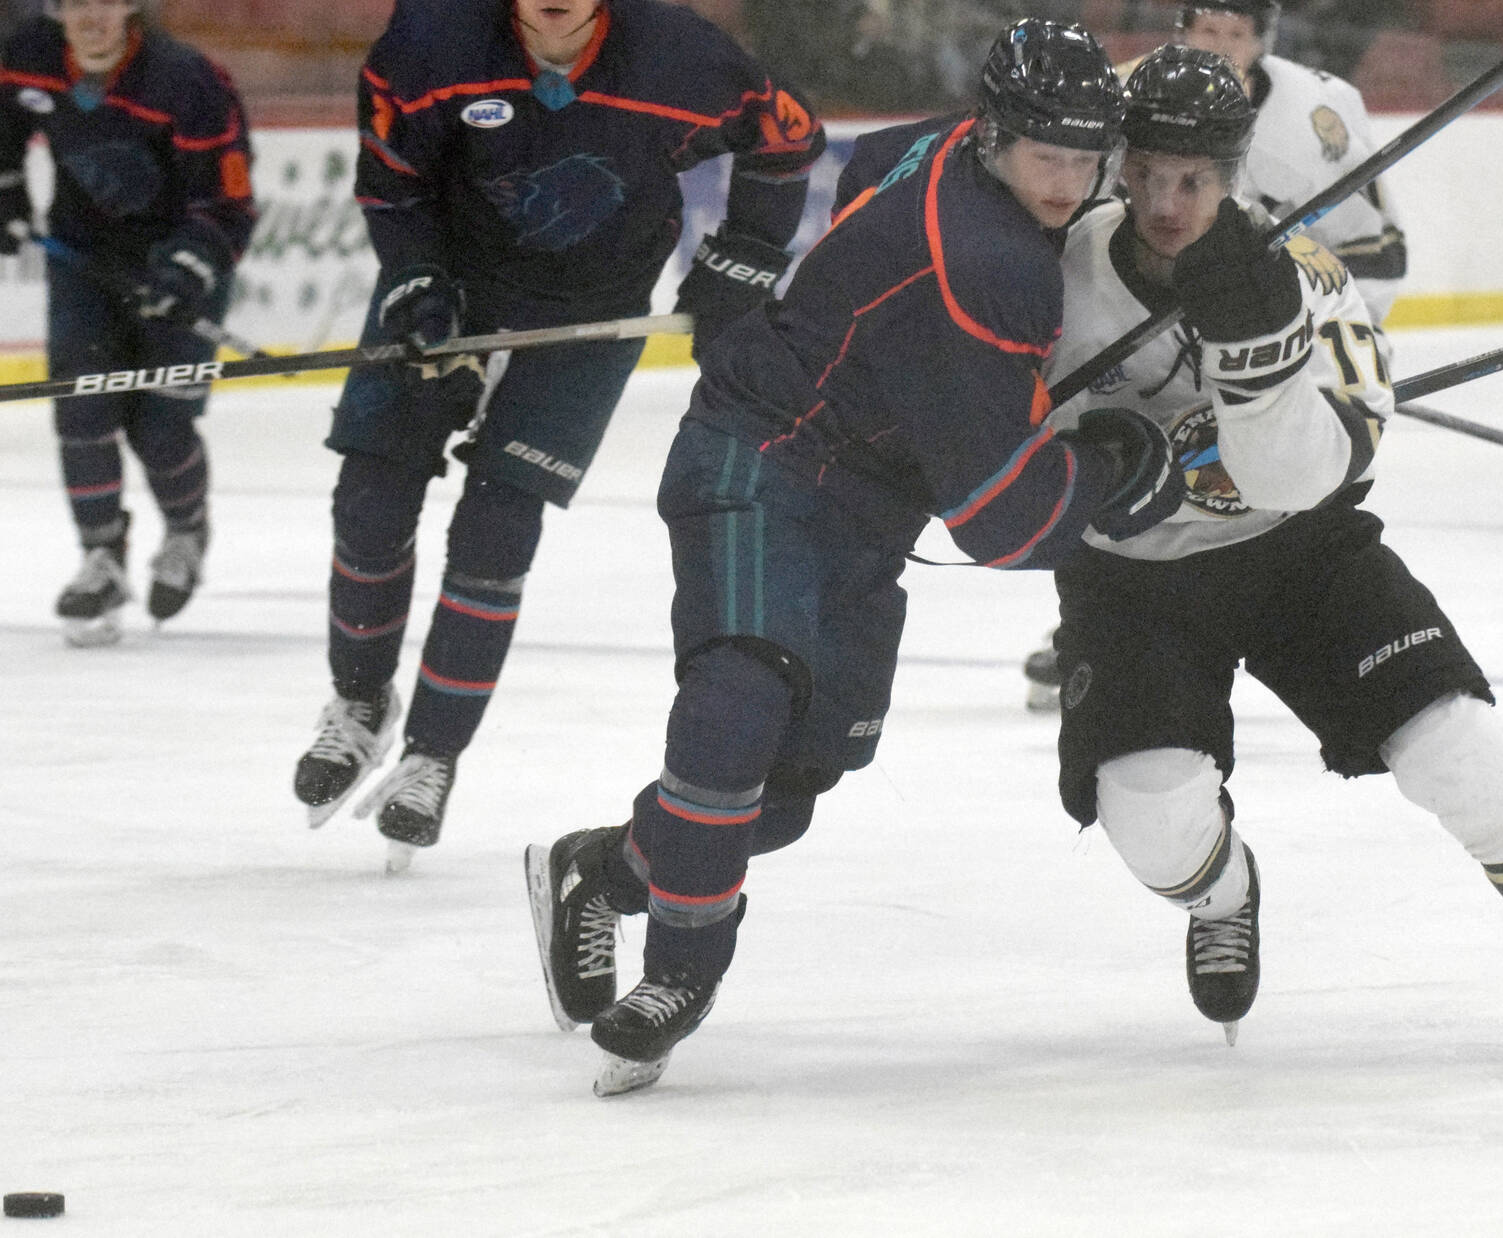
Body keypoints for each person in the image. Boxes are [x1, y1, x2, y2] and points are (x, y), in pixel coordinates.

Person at [525, 19, 1178, 1096]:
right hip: (758, 452)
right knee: (735, 701)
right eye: (1047, 157)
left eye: (1085, 158)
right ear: (997, 137)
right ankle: (680, 972)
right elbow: (1000, 521)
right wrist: (1118, 469)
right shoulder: (989, 265)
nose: (1068, 183)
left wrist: (889, 346)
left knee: (785, 789)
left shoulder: (940, 141)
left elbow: (868, 170)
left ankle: (598, 869)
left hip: (864, 512)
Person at [1041, 45, 1503, 1064]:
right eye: (1148, 176)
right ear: (1119, 167)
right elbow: (995, 438)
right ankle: (1222, 891)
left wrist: (1260, 366)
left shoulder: (1300, 278)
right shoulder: (1059, 274)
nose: (1168, 205)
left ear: (1231, 174)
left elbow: (1313, 474)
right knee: (1150, 820)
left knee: (1466, 752)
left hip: (1297, 554)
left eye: (1194, 181)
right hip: (1131, 583)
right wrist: (1089, 462)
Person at [290, 0, 825, 868]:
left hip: (593, 307)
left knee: (499, 525)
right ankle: (359, 705)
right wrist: (418, 278)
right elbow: (392, 184)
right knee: (371, 494)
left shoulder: (680, 57)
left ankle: (432, 755)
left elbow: (788, 137)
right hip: (452, 290)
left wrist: (746, 256)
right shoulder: (432, 43)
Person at [1023, 0, 1407, 710]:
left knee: (1263, 465)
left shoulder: (1312, 120)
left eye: (1237, 34)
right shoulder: (1127, 97)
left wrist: (1302, 350)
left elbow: (1376, 252)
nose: (1221, 47)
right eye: (1207, 31)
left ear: (1264, 41)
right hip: (1150, 323)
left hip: (1283, 308)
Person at [0, 0, 256, 645]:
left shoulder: (187, 80)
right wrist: (5, 189)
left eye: (106, 1)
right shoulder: (25, 52)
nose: (92, 16)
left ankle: (186, 532)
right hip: (83, 261)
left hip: (179, 267)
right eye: (75, 2)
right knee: (82, 408)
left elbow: (228, 202)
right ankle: (102, 558)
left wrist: (186, 270)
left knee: (161, 424)